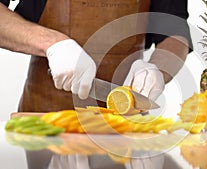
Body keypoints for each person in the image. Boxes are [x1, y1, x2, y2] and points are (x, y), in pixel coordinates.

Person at [0, 0, 192, 112]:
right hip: (45, 122)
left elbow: (174, 30)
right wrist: (52, 44)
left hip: (125, 125)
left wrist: (157, 70)